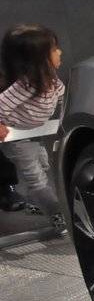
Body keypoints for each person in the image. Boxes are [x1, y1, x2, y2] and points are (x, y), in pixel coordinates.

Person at [0, 25, 66, 231]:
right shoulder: (24, 86)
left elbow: (66, 98)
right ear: (38, 59)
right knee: (37, 179)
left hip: (35, 135)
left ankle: (38, 204)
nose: (60, 52)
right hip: (18, 140)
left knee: (43, 168)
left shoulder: (53, 81)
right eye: (54, 49)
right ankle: (57, 214)